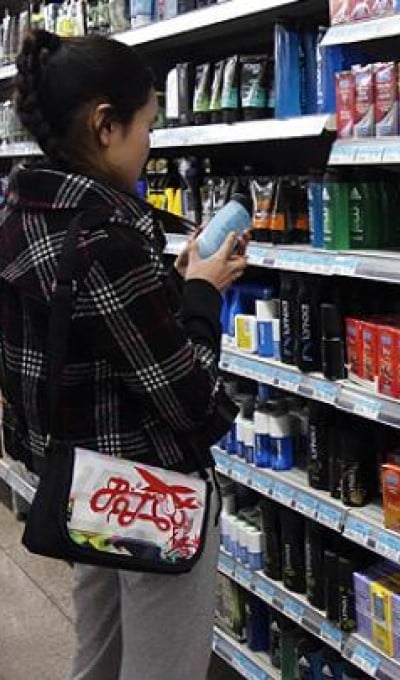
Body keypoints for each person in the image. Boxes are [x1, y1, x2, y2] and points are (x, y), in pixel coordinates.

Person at [0, 29, 247, 679]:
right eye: (146, 127)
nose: (149, 145)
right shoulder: (107, 240)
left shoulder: (24, 208)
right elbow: (190, 399)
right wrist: (199, 293)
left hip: (82, 480)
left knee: (100, 657)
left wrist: (164, 280)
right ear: (105, 125)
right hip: (147, 492)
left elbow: (87, 331)